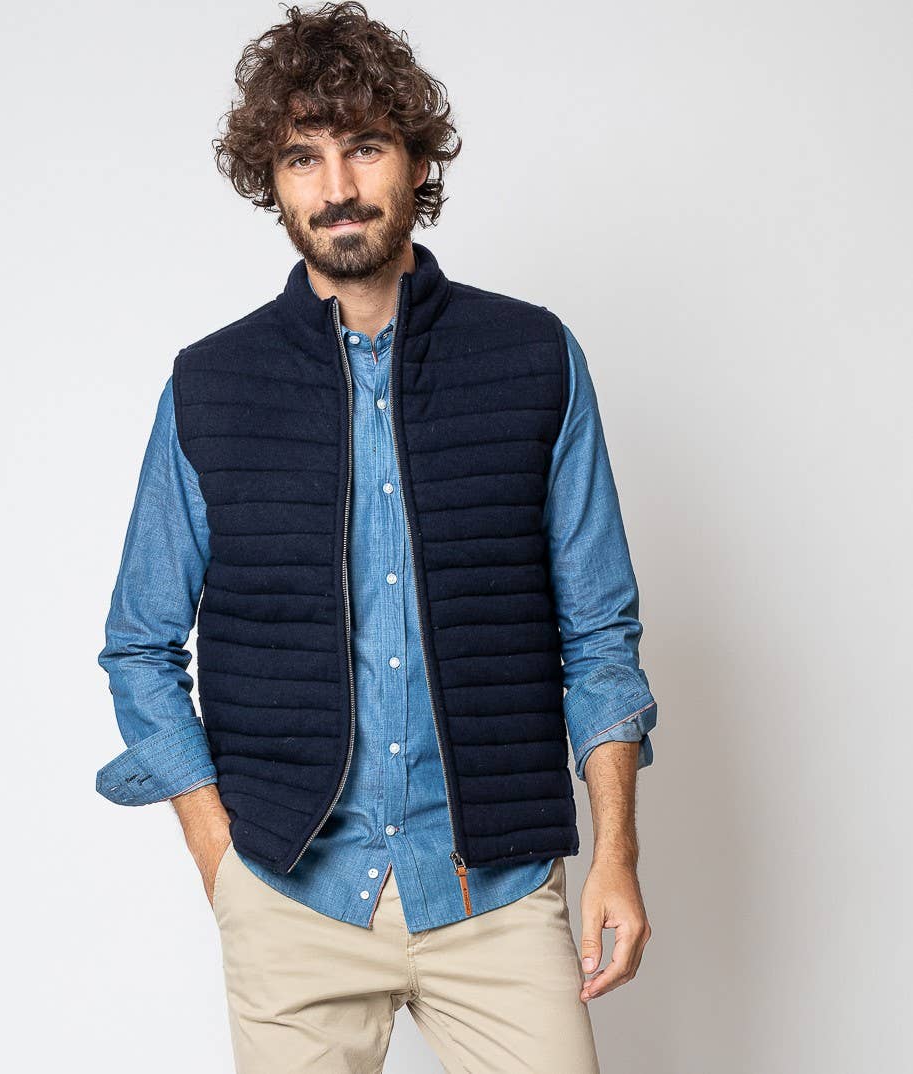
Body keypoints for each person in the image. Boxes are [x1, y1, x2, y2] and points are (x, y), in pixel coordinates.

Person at [95, 3, 657, 1070]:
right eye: (302, 158)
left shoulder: (533, 357)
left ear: (416, 161)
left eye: (364, 147)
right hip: (292, 896)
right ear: (274, 182)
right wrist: (222, 864)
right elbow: (139, 645)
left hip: (495, 894)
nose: (337, 186)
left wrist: (617, 855)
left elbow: (599, 633)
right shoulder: (212, 387)